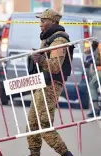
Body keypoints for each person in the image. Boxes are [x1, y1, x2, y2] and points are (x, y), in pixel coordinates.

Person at [27, 9, 74, 156]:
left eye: (43, 21)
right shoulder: (47, 38)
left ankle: (67, 154)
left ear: (53, 22)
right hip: (42, 83)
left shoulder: (60, 40)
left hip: (51, 85)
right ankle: (34, 154)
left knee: (44, 125)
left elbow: (54, 66)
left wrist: (40, 59)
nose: (40, 24)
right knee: (32, 124)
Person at [87, 41, 101, 117]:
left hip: (99, 71)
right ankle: (94, 109)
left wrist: (93, 61)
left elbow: (98, 60)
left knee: (92, 86)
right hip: (96, 71)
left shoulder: (99, 48)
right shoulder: (96, 48)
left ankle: (96, 108)